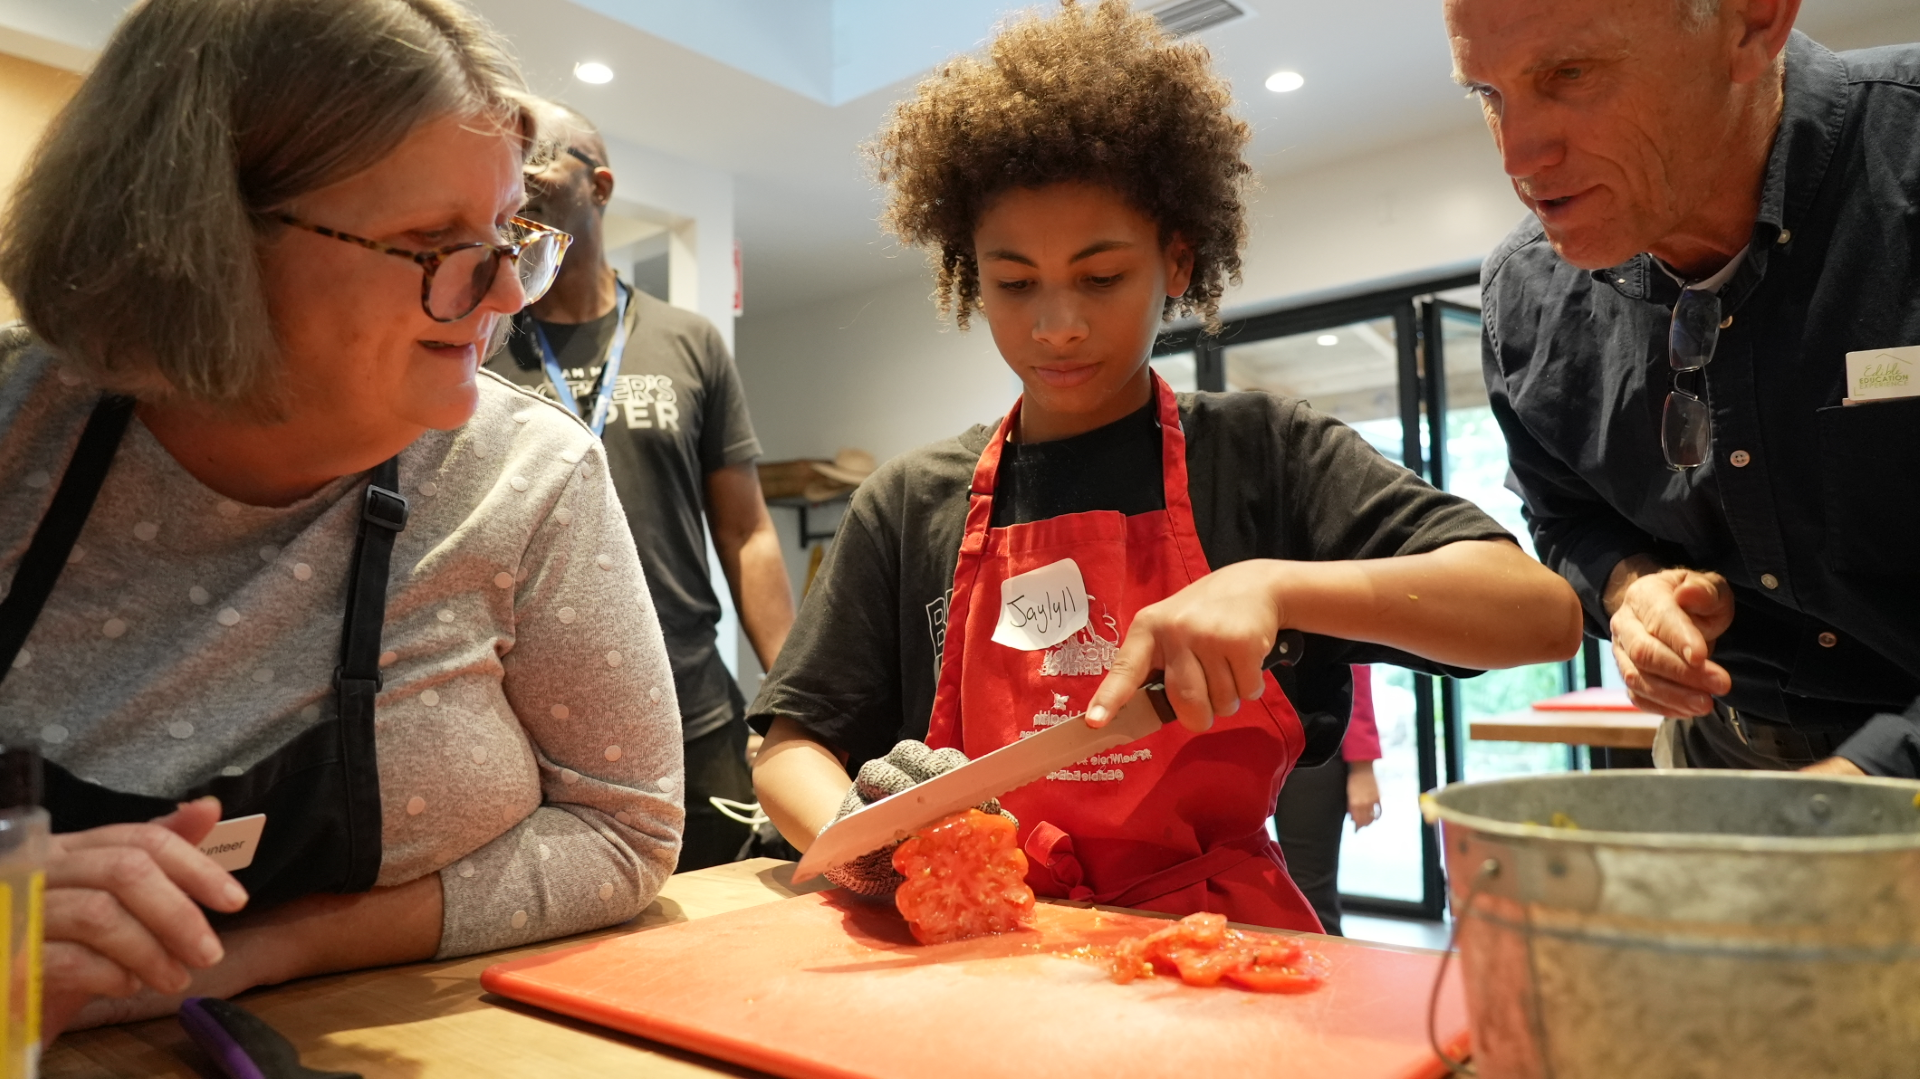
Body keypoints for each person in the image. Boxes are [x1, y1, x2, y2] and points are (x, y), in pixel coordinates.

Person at [749, 0, 1582, 933]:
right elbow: (790, 743)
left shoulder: (1266, 452)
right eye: (1015, 283)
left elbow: (1537, 615)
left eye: (1101, 277)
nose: (1056, 323)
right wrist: (863, 832)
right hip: (970, 944)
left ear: (1176, 261)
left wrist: (1275, 588)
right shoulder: (908, 503)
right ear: (970, 274)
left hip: (1212, 942)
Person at [0, 0, 682, 1035]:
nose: (506, 293)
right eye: (435, 242)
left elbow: (624, 827)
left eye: (507, 235)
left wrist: (268, 947)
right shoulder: (18, 433)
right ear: (204, 232)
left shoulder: (525, 475)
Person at [1453, 0, 1920, 776]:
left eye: (1569, 74)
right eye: (1488, 96)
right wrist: (1631, 588)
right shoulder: (1525, 296)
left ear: (1750, 23)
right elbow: (1566, 514)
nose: (1518, 157)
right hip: (1717, 757)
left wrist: (1871, 779)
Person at [486, 104, 795, 871]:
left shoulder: (687, 341)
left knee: (727, 928)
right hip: (533, 723)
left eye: (541, 153)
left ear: (600, 185)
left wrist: (795, 703)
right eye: (508, 152)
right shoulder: (483, 343)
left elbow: (748, 532)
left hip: (693, 706)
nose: (520, 168)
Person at [1273, 666, 1382, 937]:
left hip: (1313, 735)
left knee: (1310, 895)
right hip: (1225, 732)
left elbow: (1353, 661)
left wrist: (1362, 766)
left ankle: (1327, 977)